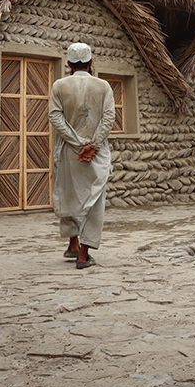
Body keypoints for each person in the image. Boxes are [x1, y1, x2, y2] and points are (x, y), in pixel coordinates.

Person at [48, 42, 115, 269]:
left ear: (68, 63)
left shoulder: (59, 85)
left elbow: (55, 117)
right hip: (95, 153)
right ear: (91, 62)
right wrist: (92, 145)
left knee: (69, 193)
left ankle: (73, 244)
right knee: (94, 200)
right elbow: (108, 118)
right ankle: (83, 256)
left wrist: (77, 144)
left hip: (69, 151)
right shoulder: (103, 86)